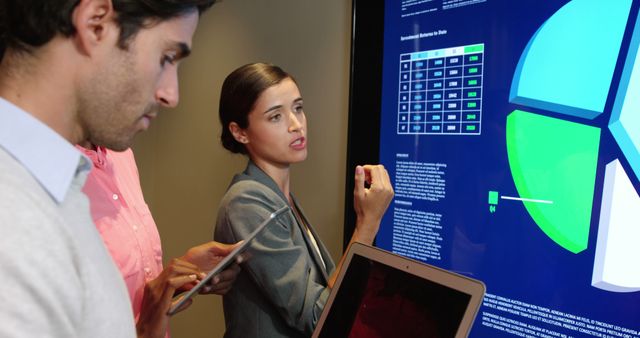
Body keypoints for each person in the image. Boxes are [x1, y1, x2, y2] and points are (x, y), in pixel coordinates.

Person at [0, 0, 237, 337]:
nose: (171, 95)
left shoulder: (54, 186)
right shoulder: (14, 222)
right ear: (96, 23)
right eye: (166, 58)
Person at [214, 62, 395, 338]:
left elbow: (329, 290)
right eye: (275, 116)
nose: (296, 125)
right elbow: (320, 317)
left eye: (298, 108)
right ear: (240, 132)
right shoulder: (247, 201)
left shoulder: (279, 197)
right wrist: (367, 224)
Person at [75, 143, 242, 335]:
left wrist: (178, 278)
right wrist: (143, 331)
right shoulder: (54, 176)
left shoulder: (121, 155)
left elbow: (130, 289)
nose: (168, 110)